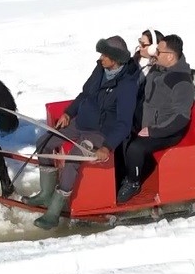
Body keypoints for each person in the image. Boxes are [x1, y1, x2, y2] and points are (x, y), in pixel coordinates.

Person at [25, 35, 141, 229]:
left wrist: (107, 147)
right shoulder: (100, 68)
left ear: (116, 60)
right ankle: (46, 194)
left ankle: (54, 211)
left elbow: (123, 123)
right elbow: (85, 94)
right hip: (80, 122)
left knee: (72, 161)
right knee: (43, 144)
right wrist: (69, 113)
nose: (100, 58)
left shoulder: (127, 85)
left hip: (100, 132)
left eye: (105, 55)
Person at [117, 34, 195, 203]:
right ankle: (125, 172)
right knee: (122, 134)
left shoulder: (181, 82)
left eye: (158, 51)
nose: (155, 54)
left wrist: (153, 130)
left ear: (170, 56)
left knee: (136, 147)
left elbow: (180, 118)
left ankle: (133, 182)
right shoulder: (159, 67)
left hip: (166, 130)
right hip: (149, 120)